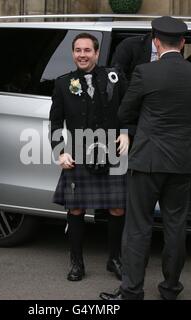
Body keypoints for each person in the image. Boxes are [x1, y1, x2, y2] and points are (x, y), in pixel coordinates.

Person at [100, 16, 191, 300]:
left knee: (138, 227)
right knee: (175, 227)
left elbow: (124, 113)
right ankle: (171, 289)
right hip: (184, 162)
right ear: (183, 43)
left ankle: (132, 291)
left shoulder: (146, 73)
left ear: (156, 41)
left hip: (148, 160)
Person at [49, 33, 130, 281]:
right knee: (76, 209)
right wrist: (59, 152)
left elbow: (129, 109)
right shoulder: (63, 83)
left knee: (118, 208)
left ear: (96, 53)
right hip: (78, 151)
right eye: (77, 50)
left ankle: (115, 259)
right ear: (73, 53)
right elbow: (55, 121)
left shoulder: (114, 78)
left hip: (112, 150)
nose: (82, 55)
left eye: (87, 50)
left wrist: (128, 134)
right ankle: (76, 263)